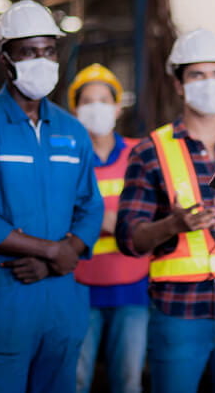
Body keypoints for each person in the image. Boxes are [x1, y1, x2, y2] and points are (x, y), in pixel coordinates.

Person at [0, 0, 104, 393]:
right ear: (5, 59)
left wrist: (57, 259)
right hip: (5, 295)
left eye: (49, 51)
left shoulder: (71, 130)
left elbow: (91, 204)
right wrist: (54, 252)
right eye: (29, 52)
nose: (42, 60)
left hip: (62, 296)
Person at [116, 28, 215, 393]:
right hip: (178, 313)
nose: (210, 83)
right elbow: (130, 239)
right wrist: (173, 224)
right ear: (178, 84)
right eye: (197, 75)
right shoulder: (150, 150)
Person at [70, 64, 149, 393]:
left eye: (104, 99)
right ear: (75, 110)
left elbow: (151, 215)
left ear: (118, 107)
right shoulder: (67, 157)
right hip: (77, 287)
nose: (96, 107)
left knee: (128, 381)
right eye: (88, 101)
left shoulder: (140, 153)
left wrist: (96, 218)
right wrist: (114, 221)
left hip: (133, 288)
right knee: (74, 380)